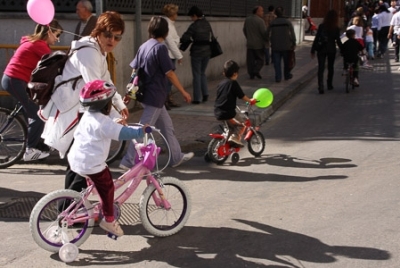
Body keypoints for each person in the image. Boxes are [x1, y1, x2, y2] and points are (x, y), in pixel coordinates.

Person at [41, 11, 129, 193]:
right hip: (71, 113)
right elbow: (97, 89)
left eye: (117, 37)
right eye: (108, 35)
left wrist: (120, 106)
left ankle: (73, 211)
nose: (112, 40)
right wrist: (114, 116)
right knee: (81, 163)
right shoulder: (89, 52)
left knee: (80, 163)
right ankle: (69, 213)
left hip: (79, 113)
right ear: (98, 32)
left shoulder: (98, 50)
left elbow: (107, 82)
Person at [68, 80, 146, 237]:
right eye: (110, 102)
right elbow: (122, 133)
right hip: (91, 163)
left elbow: (109, 119)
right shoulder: (103, 124)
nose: (111, 105)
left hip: (76, 159)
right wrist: (141, 131)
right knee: (108, 187)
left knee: (99, 177)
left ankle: (92, 193)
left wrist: (116, 119)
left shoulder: (88, 114)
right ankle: (109, 220)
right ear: (105, 104)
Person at [120, 16, 193, 170]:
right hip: (155, 96)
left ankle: (176, 156)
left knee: (167, 127)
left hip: (146, 94)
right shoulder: (160, 48)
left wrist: (129, 92)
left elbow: (134, 71)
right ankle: (128, 160)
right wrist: (183, 91)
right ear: (165, 32)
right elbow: (170, 74)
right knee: (143, 129)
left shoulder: (144, 46)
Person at [1, 20, 63, 161]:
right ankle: (29, 150)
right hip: (15, 81)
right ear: (49, 32)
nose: (57, 40)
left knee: (33, 111)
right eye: (57, 36)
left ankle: (38, 143)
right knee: (37, 114)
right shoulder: (39, 46)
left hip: (15, 80)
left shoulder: (34, 43)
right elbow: (56, 63)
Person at [214, 60, 256, 147]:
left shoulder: (221, 84)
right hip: (228, 112)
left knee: (231, 127)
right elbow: (242, 96)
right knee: (243, 124)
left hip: (217, 111)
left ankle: (227, 143)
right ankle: (235, 137)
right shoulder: (233, 83)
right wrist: (250, 101)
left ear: (224, 73)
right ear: (235, 73)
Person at [180, 6, 212, 104]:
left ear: (194, 15)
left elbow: (184, 37)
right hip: (207, 51)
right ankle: (205, 93)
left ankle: (197, 98)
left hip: (197, 52)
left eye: (191, 17)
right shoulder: (207, 24)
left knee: (197, 74)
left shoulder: (194, 26)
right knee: (202, 73)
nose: (191, 19)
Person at [311, 10, 343, 94]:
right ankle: (329, 84)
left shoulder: (322, 26)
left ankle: (320, 86)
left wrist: (313, 50)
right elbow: (338, 41)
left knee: (321, 68)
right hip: (331, 49)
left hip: (321, 49)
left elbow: (317, 38)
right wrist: (343, 50)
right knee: (330, 67)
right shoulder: (336, 28)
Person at [267, 6, 296, 83]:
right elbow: (292, 33)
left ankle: (278, 77)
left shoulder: (272, 23)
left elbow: (267, 33)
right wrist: (293, 42)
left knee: (277, 63)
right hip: (286, 46)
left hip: (275, 46)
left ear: (275, 13)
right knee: (287, 62)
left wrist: (270, 40)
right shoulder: (287, 22)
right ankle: (286, 75)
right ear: (283, 12)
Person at [162, 3, 183, 110]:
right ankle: (165, 101)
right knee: (168, 79)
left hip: (171, 54)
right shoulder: (168, 25)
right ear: (173, 14)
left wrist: (176, 41)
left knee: (169, 80)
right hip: (169, 55)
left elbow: (176, 39)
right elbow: (171, 42)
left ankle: (168, 99)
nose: (177, 15)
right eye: (176, 13)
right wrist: (179, 56)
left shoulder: (170, 24)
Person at [243, 6, 268, 79]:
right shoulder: (260, 21)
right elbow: (264, 32)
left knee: (250, 60)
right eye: (261, 11)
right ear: (257, 12)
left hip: (250, 43)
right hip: (258, 44)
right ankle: (256, 70)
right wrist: (266, 40)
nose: (263, 12)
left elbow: (244, 30)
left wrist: (248, 37)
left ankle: (251, 74)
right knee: (260, 59)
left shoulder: (247, 20)